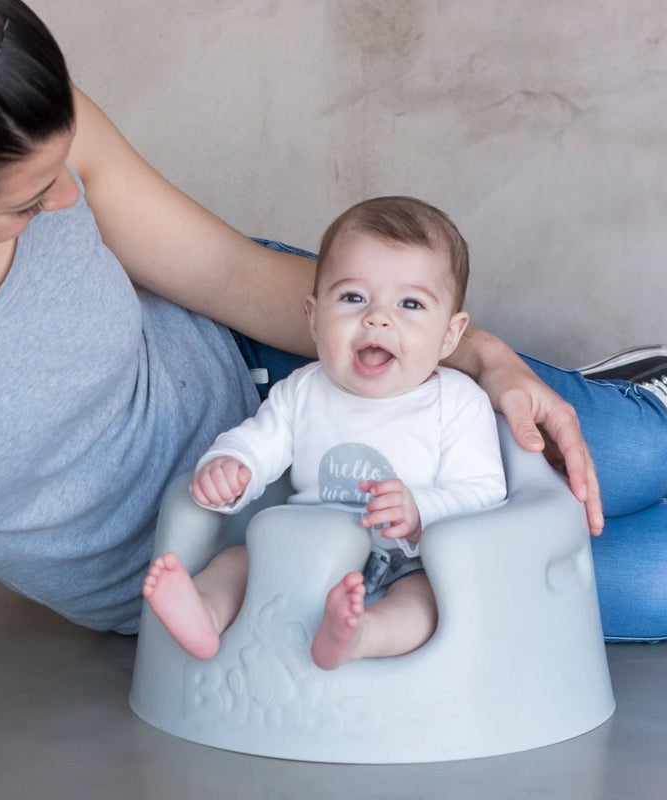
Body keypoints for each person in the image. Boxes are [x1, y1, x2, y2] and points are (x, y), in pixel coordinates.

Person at [0, 0, 662, 797]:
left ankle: (635, 394)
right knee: (654, 583)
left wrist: (484, 358)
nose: (66, 205)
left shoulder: (20, 111)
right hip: (225, 570)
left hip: (301, 369)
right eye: (25, 204)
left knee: (633, 454)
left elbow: (230, 274)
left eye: (62, 168)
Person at [143, 196, 508, 668]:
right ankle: (204, 613)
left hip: (404, 559)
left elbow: (484, 491)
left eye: (411, 303)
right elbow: (261, 440)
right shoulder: (304, 390)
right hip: (303, 547)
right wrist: (231, 468)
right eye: (353, 298)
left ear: (450, 335)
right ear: (315, 318)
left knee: (424, 604)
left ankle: (361, 634)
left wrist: (421, 510)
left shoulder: (458, 402)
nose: (378, 318)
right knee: (236, 561)